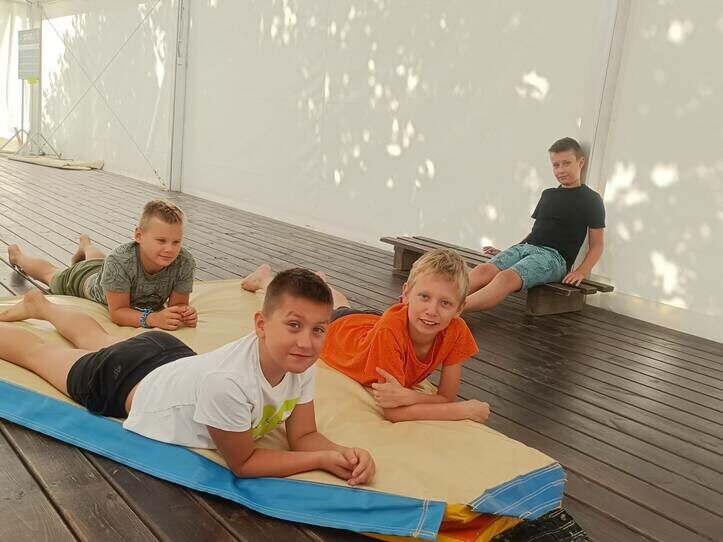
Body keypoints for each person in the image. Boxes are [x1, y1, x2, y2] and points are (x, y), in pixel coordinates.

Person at [0, 269, 375, 485]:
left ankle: (41, 305)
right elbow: (244, 463)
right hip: (124, 380)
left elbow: (303, 435)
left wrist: (344, 454)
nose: (307, 342)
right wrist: (320, 460)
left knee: (98, 341)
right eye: (294, 325)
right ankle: (40, 307)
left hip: (170, 356)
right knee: (40, 355)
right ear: (261, 324)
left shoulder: (299, 362)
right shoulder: (229, 384)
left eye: (318, 330)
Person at [241, 250, 490, 424]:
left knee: (341, 306)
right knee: (307, 307)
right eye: (424, 297)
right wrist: (463, 411)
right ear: (406, 294)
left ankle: (322, 284)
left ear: (459, 308)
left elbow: (445, 396)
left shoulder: (456, 330)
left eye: (445, 303)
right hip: (343, 332)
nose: (432, 311)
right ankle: (265, 279)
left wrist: (411, 396)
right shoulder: (390, 332)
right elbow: (394, 412)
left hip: (370, 324)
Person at [7, 200, 197, 330]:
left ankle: (86, 244)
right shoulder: (120, 261)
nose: (169, 249)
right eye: (161, 240)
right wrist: (153, 318)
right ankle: (18, 256)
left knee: (99, 262)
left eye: (176, 242)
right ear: (139, 236)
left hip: (106, 270)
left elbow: (178, 306)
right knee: (51, 274)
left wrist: (185, 313)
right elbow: (118, 312)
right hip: (83, 281)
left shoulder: (184, 262)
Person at [465, 137, 606, 312]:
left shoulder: (592, 200)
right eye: (556, 165)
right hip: (525, 248)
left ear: (581, 162)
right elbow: (537, 232)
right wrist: (511, 250)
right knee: (483, 270)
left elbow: (597, 244)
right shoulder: (548, 195)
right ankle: (444, 302)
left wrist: (581, 271)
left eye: (566, 163)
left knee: (505, 278)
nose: (561, 170)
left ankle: (453, 312)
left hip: (553, 258)